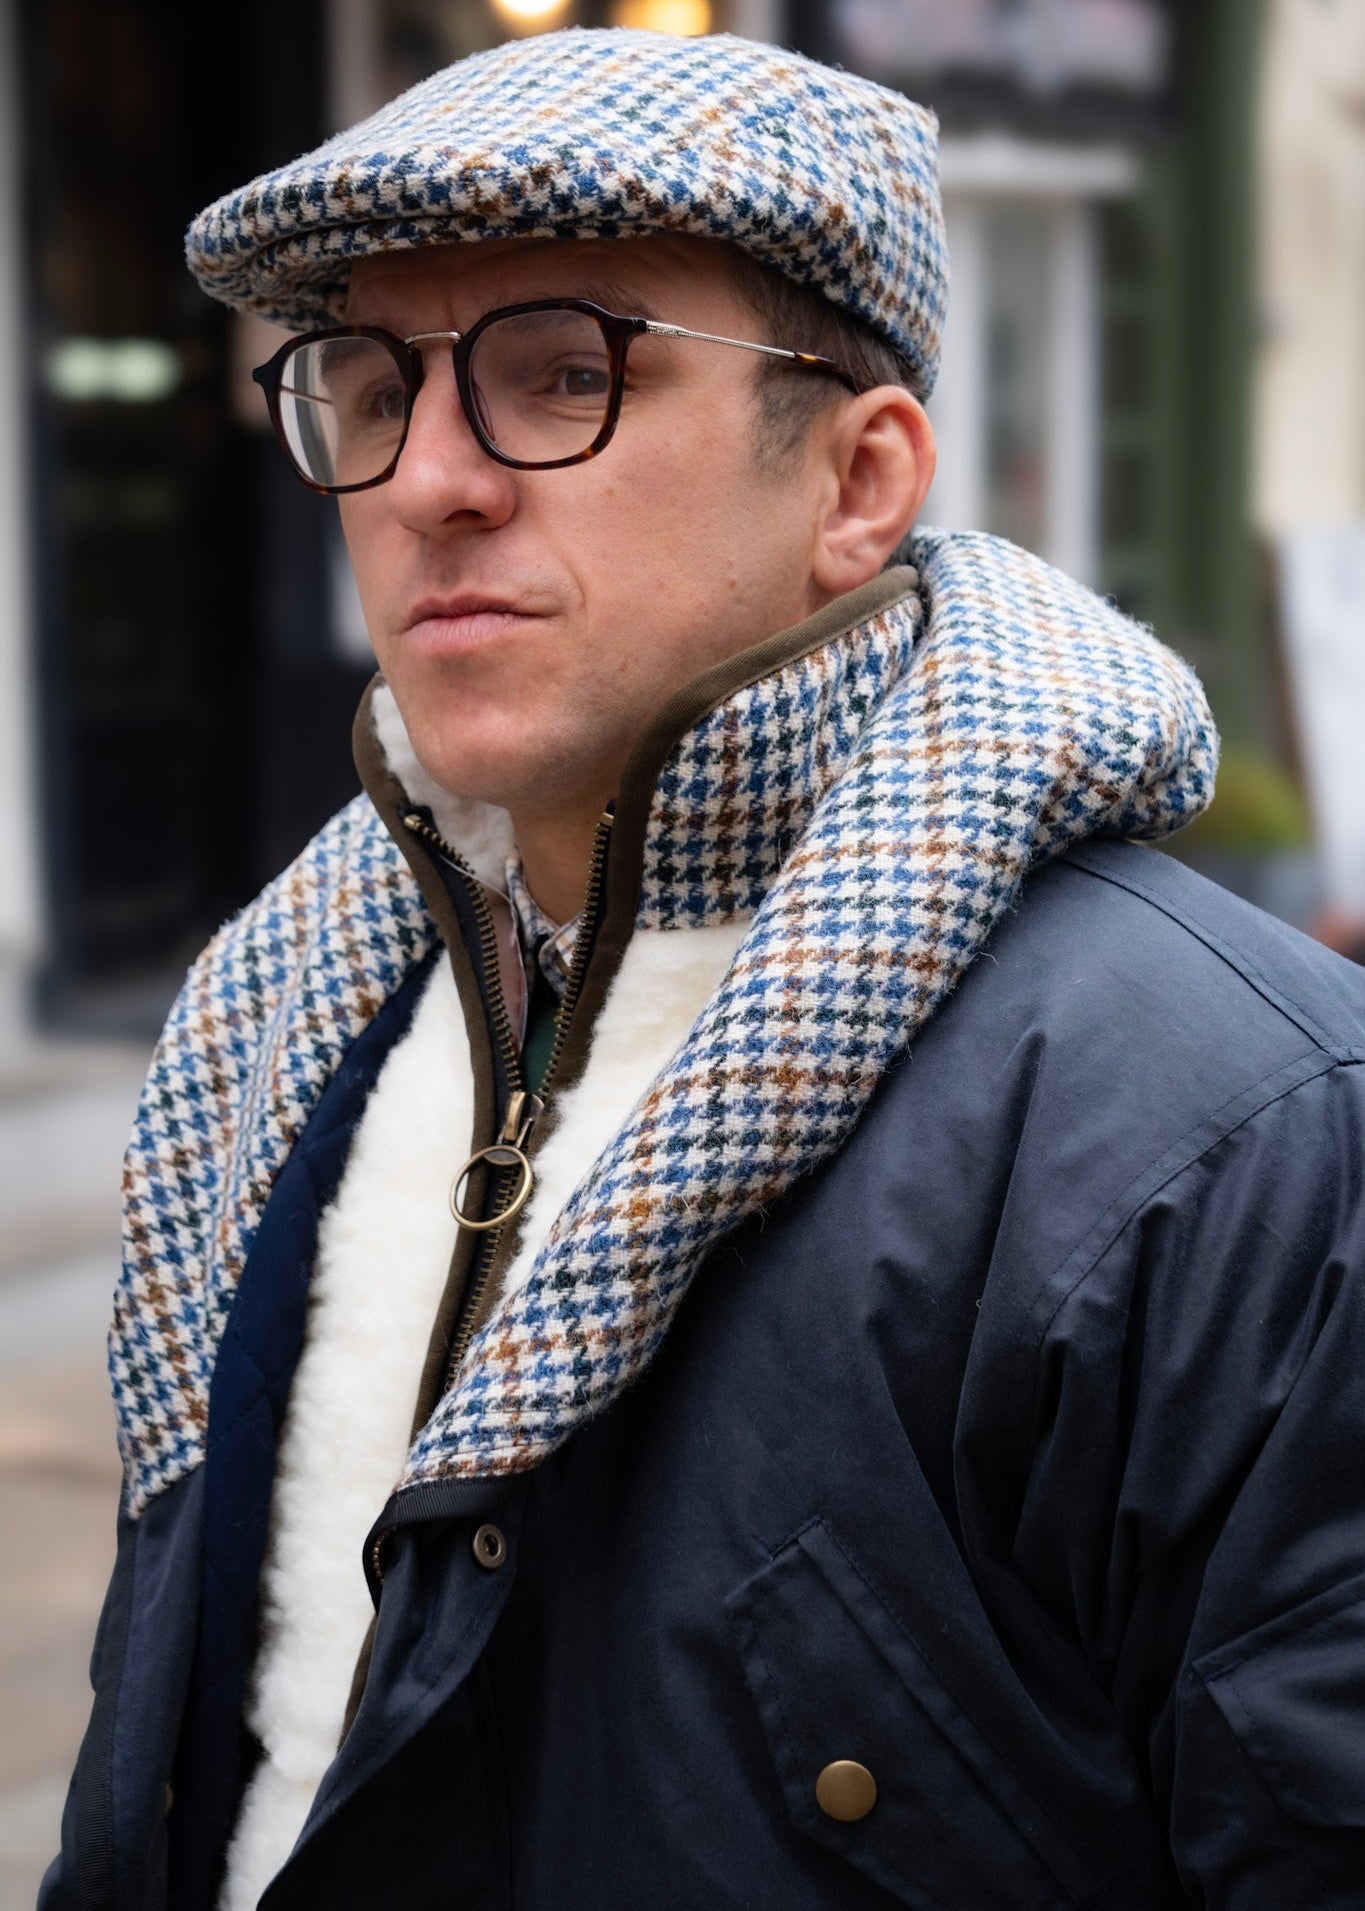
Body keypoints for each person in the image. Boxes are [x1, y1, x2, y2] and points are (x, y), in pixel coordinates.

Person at [44, 27, 1365, 1911]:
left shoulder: (1238, 1134)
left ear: (858, 480)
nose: (428, 480)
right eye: (366, 382)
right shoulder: (278, 1035)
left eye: (561, 374)